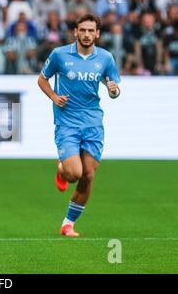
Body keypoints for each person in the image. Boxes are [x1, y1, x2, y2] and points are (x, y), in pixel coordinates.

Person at [37, 14, 121, 237]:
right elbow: (42, 79)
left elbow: (114, 89)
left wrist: (113, 91)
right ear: (75, 32)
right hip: (67, 122)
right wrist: (54, 97)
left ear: (97, 34)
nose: (86, 34)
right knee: (74, 173)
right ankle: (62, 168)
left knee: (88, 176)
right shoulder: (60, 54)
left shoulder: (105, 58)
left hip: (93, 122)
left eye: (90, 31)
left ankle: (68, 224)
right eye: (82, 30)